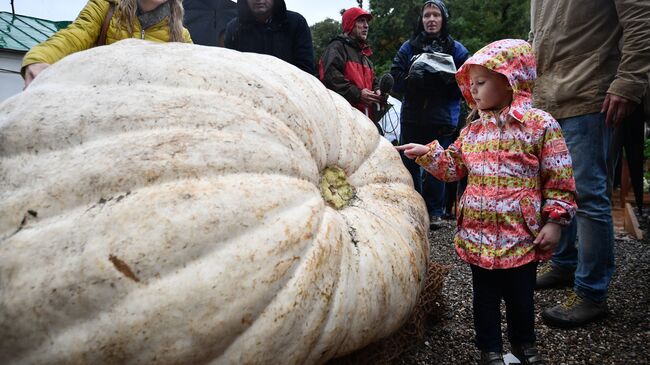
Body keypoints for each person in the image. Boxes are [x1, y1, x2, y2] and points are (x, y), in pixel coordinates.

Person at [397, 39, 577, 365]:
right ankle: (490, 349)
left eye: (481, 83)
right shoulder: (472, 131)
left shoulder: (540, 126)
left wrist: (554, 221)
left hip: (521, 235)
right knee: (484, 298)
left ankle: (525, 344)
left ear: (510, 80)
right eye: (471, 84)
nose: (474, 91)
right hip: (478, 236)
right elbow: (454, 168)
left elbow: (560, 179)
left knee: (521, 297)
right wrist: (429, 155)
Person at [530, 0, 650, 328]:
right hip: (551, 95)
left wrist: (629, 81)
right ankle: (564, 263)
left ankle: (591, 292)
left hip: (590, 92)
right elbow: (541, 35)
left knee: (588, 194)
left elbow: (642, 18)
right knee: (558, 189)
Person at [390, 0, 468, 229]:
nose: (431, 19)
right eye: (427, 16)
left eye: (436, 15)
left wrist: (447, 82)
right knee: (409, 165)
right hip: (413, 117)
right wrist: (411, 79)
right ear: (421, 20)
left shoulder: (456, 49)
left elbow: (469, 80)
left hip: (442, 118)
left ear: (443, 20)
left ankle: (435, 213)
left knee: (438, 166)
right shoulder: (409, 47)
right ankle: (411, 209)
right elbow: (395, 78)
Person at [22, 0, 192, 88]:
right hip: (99, 108)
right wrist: (40, 58)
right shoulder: (106, 8)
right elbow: (76, 35)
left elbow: (195, 71)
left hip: (148, 119)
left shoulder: (179, 35)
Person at [319, 7, 382, 121]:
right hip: (344, 120)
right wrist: (358, 94)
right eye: (361, 21)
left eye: (367, 22)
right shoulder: (337, 47)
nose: (366, 25)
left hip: (366, 121)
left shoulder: (365, 57)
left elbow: (373, 80)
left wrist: (377, 90)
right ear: (350, 24)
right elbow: (330, 78)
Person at [224, 0, 314, 75]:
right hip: (248, 91)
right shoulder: (233, 28)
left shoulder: (297, 22)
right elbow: (232, 69)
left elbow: (305, 68)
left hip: (290, 90)